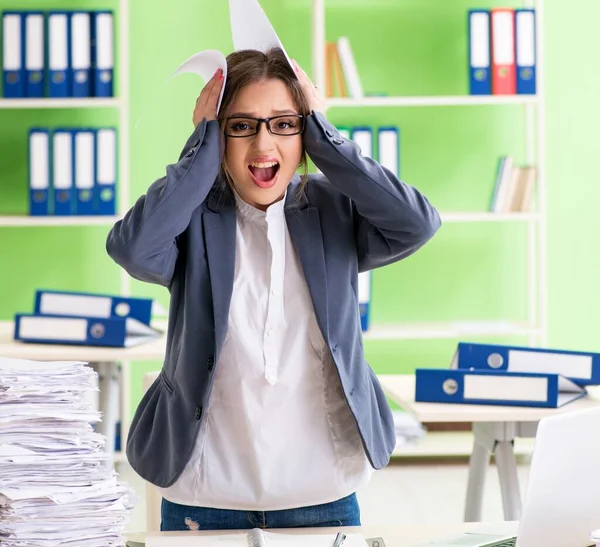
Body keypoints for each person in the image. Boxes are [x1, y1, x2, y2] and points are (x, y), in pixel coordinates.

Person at [106, 47, 441, 532]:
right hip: (204, 491)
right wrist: (201, 150)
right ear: (219, 134)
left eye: (284, 123)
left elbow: (416, 224)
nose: (264, 145)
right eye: (241, 125)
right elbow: (134, 248)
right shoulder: (192, 217)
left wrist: (324, 139)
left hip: (321, 489)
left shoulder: (331, 210)